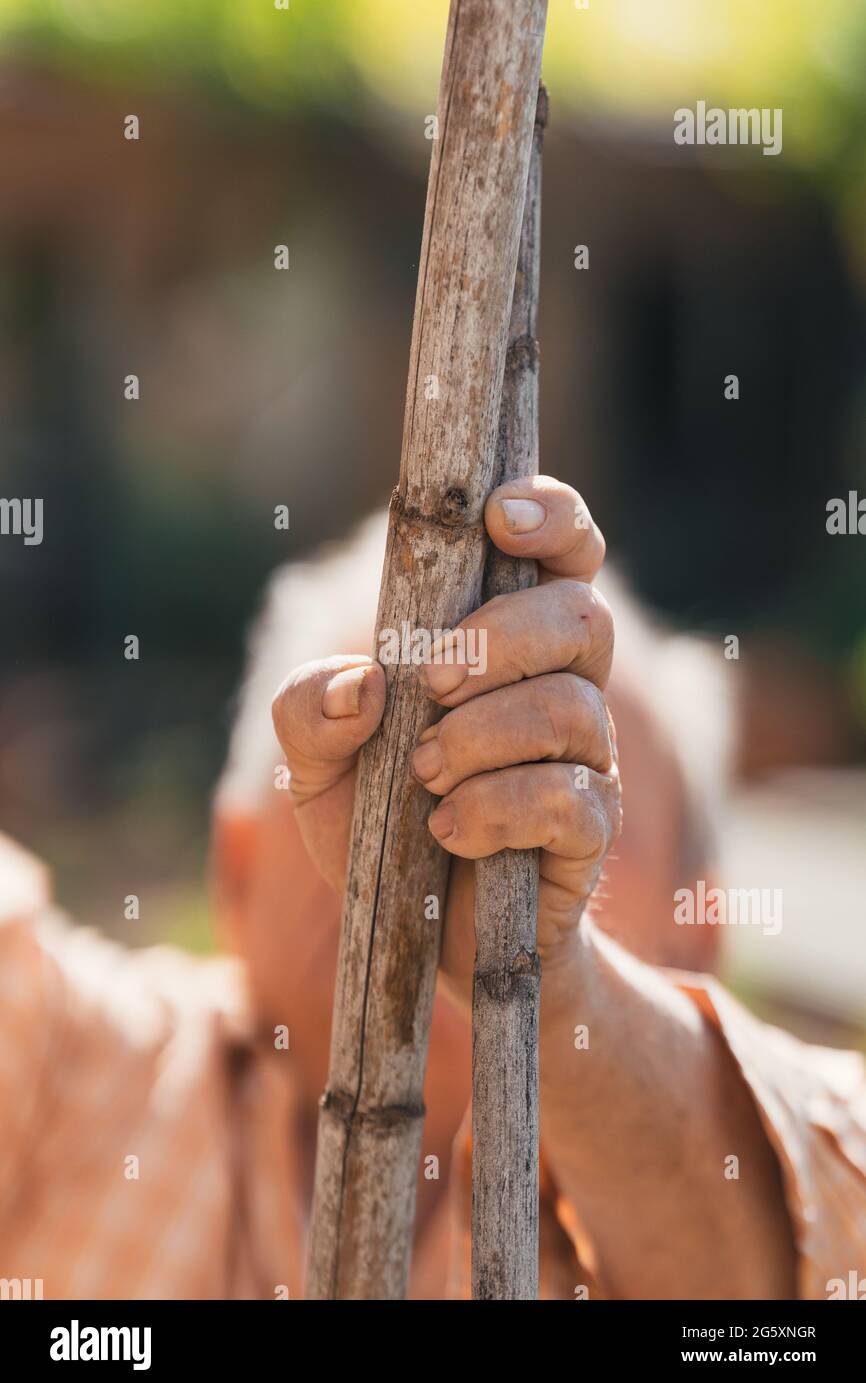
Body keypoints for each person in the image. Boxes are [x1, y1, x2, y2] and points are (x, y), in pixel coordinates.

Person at [1, 475, 864, 1300]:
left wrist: (555, 988)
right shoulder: (74, 1073)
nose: (456, 828)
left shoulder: (794, 1163)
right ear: (235, 871)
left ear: (699, 929)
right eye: (373, 758)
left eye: (544, 775)